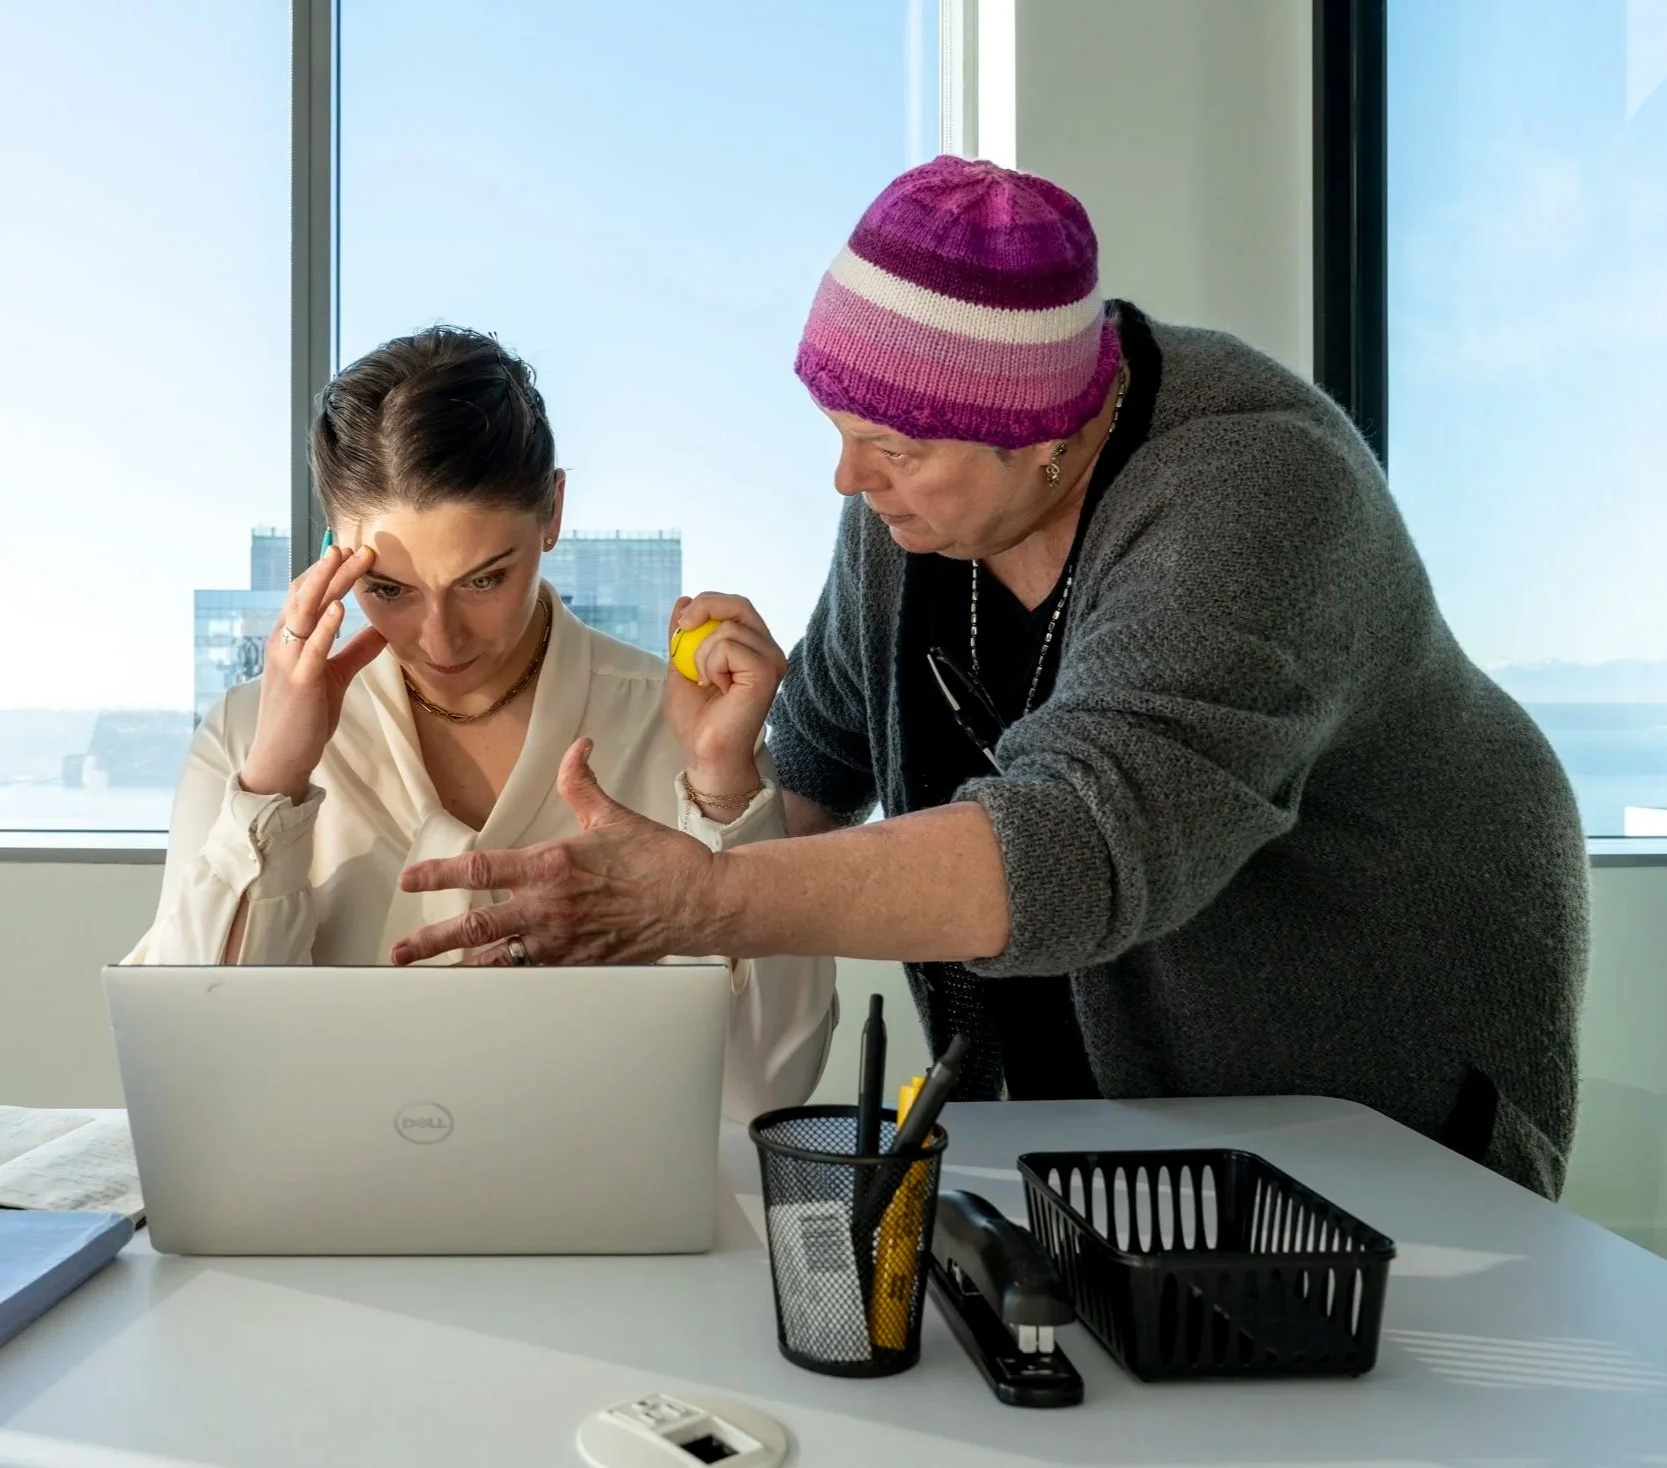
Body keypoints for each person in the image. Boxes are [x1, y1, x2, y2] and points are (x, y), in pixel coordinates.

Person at [389, 158, 1590, 1198]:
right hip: (1087, 1125)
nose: (848, 480)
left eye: (891, 447)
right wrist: (706, 793)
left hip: (1370, 1079)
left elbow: (1073, 839)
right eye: (839, 431)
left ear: (1050, 438)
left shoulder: (1257, 495)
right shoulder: (911, 514)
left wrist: (697, 898)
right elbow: (812, 771)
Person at [125, 325, 837, 1123]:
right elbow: (194, 1074)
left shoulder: (679, 726)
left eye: (484, 578)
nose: (440, 639)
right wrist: (273, 784)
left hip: (604, 1227)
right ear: (332, 545)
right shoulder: (250, 732)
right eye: (388, 589)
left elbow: (762, 1091)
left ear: (553, 512)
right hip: (327, 1225)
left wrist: (720, 790)